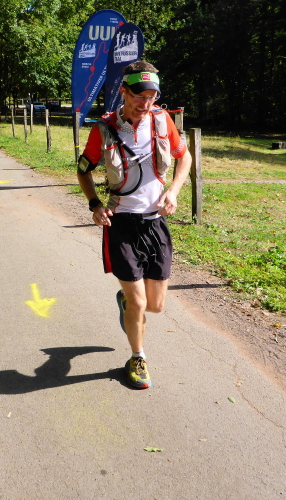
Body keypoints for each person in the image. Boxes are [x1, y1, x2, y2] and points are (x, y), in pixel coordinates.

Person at [76, 60, 192, 389]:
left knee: (155, 306)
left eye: (152, 96)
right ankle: (137, 357)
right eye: (139, 95)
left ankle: (126, 301)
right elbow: (83, 170)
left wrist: (174, 191)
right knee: (140, 303)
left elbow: (185, 157)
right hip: (122, 225)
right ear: (124, 92)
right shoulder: (104, 129)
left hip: (156, 224)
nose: (146, 103)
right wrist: (95, 204)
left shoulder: (162, 121)